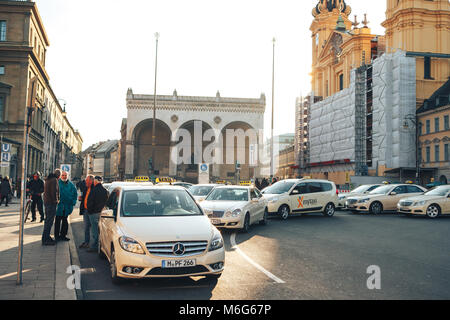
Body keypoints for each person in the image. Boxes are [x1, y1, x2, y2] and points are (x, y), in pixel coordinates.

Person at [86, 176, 108, 252]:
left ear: (95, 182)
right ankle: (101, 246)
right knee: (101, 231)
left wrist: (90, 211)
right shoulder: (105, 190)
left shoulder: (94, 190)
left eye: (94, 181)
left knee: (95, 231)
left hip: (94, 213)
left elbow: (90, 202)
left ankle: (95, 246)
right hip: (101, 213)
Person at [55, 171, 78, 242]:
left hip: (67, 206)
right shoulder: (57, 183)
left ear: (67, 176)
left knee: (65, 221)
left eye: (65, 175)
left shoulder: (71, 185)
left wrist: (73, 202)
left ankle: (63, 235)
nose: (64, 176)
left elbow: (75, 194)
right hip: (59, 206)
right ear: (61, 176)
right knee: (58, 221)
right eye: (63, 175)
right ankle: (57, 236)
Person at [42, 169, 61, 246]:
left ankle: (46, 237)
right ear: (58, 176)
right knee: (49, 221)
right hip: (51, 203)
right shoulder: (54, 180)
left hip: (47, 202)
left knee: (47, 221)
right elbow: (54, 192)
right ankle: (45, 239)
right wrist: (56, 201)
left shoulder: (48, 179)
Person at [78, 175, 93, 249]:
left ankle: (94, 244)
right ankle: (86, 242)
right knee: (86, 227)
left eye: (87, 181)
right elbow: (85, 197)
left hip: (92, 211)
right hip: (86, 210)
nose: (85, 182)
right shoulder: (86, 188)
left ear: (91, 181)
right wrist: (81, 198)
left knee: (94, 229)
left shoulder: (94, 189)